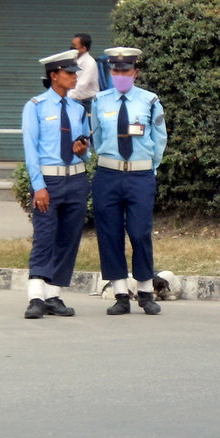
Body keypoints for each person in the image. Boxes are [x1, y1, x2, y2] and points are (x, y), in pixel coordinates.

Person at [91, 47, 167, 315]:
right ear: (111, 72)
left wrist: (149, 168)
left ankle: (146, 291)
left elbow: (160, 138)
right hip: (108, 174)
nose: (120, 75)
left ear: (135, 72)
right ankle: (120, 294)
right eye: (115, 70)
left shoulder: (149, 101)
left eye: (125, 71)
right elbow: (97, 139)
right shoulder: (99, 101)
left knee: (139, 232)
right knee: (110, 234)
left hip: (140, 175)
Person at [21, 50, 91, 319]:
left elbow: (86, 150)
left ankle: (54, 295)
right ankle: (36, 296)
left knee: (68, 238)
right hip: (48, 181)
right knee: (45, 237)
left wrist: (82, 149)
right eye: (69, 73)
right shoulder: (36, 106)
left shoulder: (78, 109)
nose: (75, 78)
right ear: (54, 76)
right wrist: (38, 186)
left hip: (75, 178)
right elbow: (31, 150)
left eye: (75, 73)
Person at [68, 33, 99, 115]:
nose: (72, 48)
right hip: (75, 99)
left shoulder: (90, 63)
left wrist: (67, 97)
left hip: (88, 102)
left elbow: (82, 84)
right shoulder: (74, 60)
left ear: (84, 48)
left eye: (75, 46)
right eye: (72, 44)